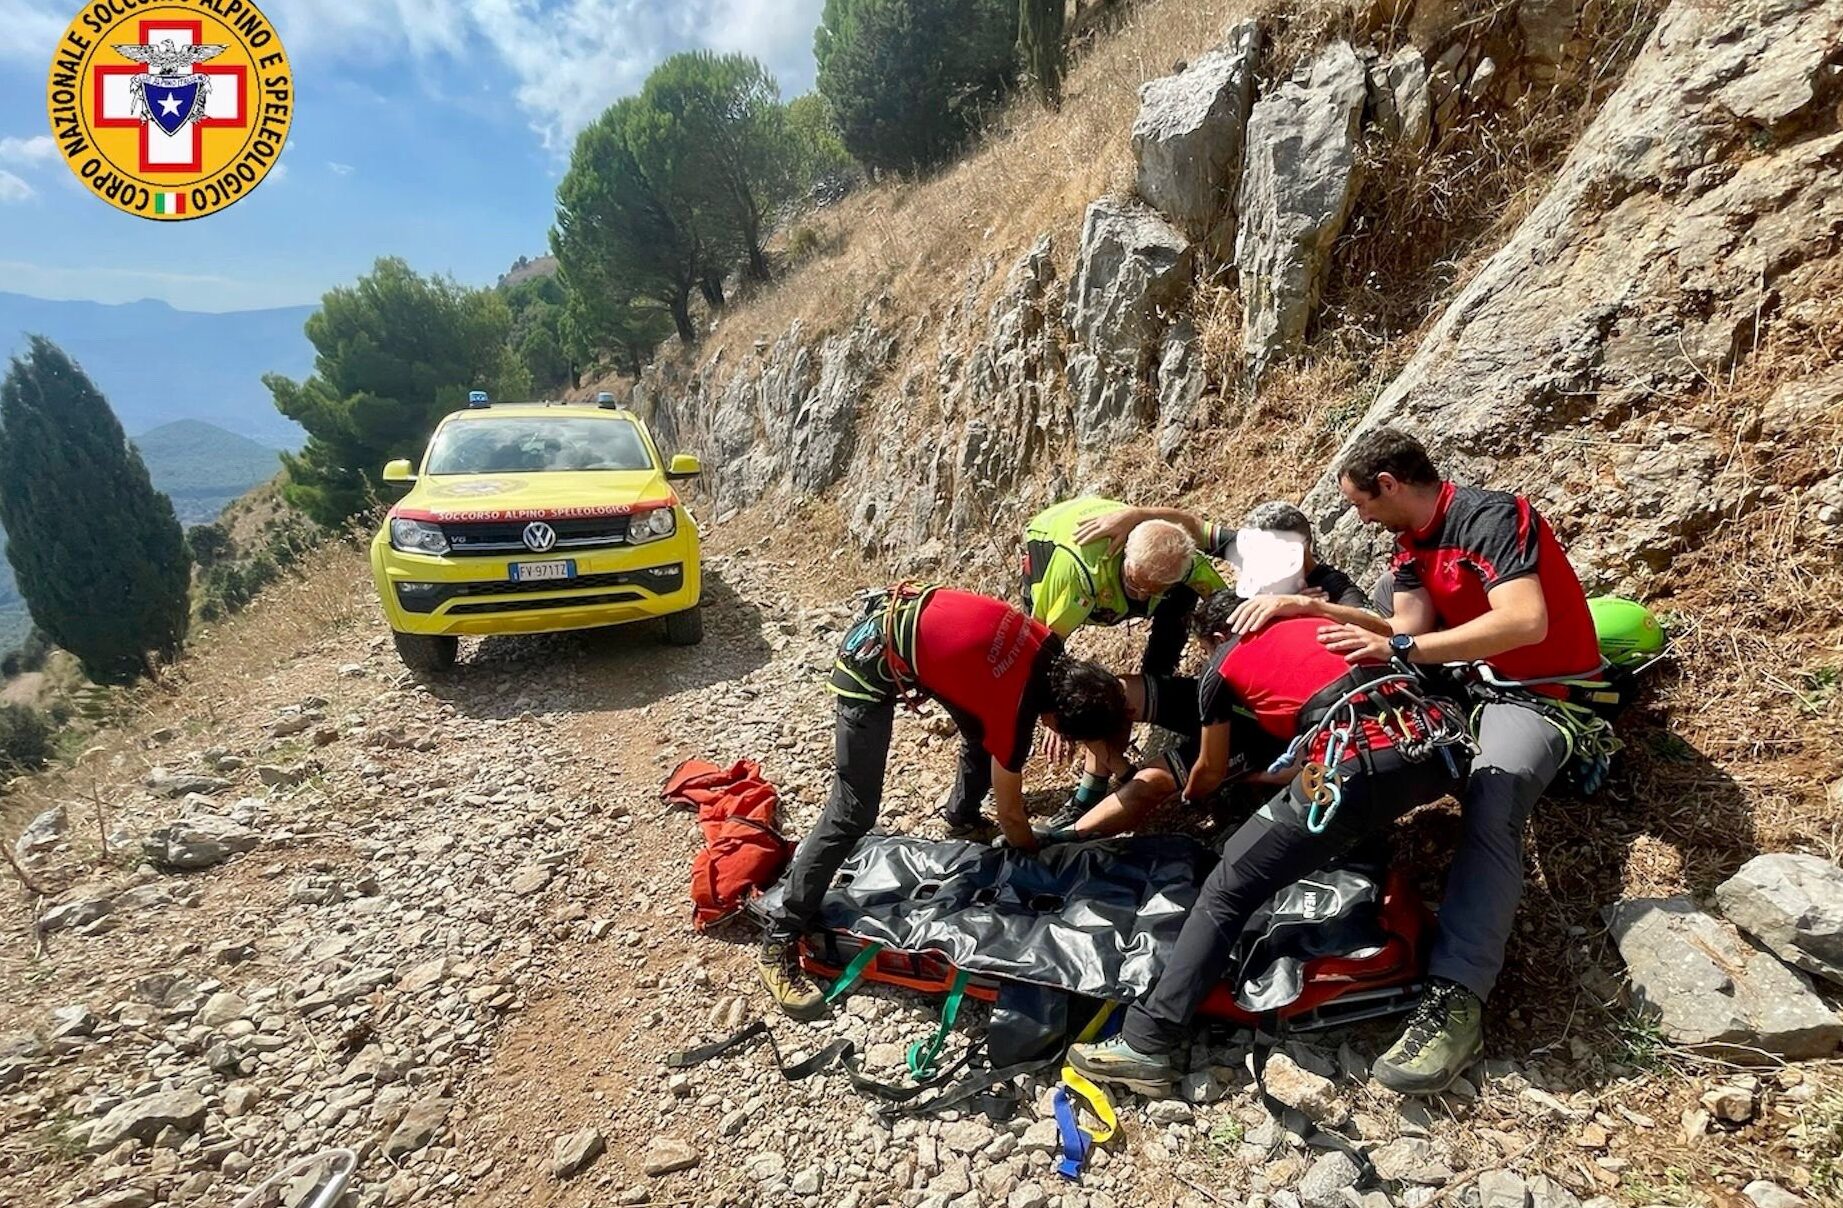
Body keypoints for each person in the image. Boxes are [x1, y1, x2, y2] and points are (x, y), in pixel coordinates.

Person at [1066, 593, 1472, 1093]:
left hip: (1354, 765)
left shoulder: (1221, 664)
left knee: (1228, 887)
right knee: (1321, 830)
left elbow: (1210, 770)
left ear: (1215, 637)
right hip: (1437, 746)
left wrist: (1194, 795)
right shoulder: (1310, 620)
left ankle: (1146, 1043)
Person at [1308, 426, 1602, 1094]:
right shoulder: (1409, 543)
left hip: (1541, 694)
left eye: (1361, 503)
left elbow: (1524, 621)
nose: (1360, 517)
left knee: (1491, 798)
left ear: (1387, 484)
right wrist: (1310, 614)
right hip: (1469, 679)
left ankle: (1457, 997)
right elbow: (1405, 628)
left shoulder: (1490, 517)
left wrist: (1404, 653)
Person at [756, 585, 1130, 1020]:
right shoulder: (1017, 707)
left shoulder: (1048, 645)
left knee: (977, 734)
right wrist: (1033, 853)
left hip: (918, 635)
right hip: (870, 658)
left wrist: (1122, 770)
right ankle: (779, 938)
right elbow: (1012, 815)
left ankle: (962, 816)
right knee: (852, 811)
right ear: (1056, 720)